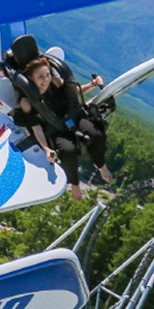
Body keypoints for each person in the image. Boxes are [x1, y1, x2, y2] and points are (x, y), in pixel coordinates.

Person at [15, 56, 112, 201]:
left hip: (72, 116)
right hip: (55, 128)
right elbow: (36, 127)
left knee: (96, 135)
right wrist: (46, 149)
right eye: (40, 77)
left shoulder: (54, 81)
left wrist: (92, 85)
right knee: (68, 151)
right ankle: (75, 184)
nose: (46, 79)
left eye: (47, 74)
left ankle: (101, 165)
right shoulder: (26, 101)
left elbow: (73, 93)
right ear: (30, 78)